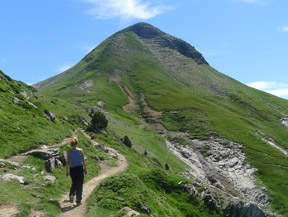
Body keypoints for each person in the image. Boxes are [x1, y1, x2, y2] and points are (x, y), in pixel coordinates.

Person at [66, 137, 87, 206]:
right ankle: (78, 201)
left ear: (71, 144)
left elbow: (68, 162)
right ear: (77, 143)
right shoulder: (81, 151)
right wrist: (85, 169)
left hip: (72, 170)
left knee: (74, 183)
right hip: (79, 169)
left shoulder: (68, 152)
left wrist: (67, 171)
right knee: (79, 185)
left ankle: (71, 194)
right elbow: (83, 160)